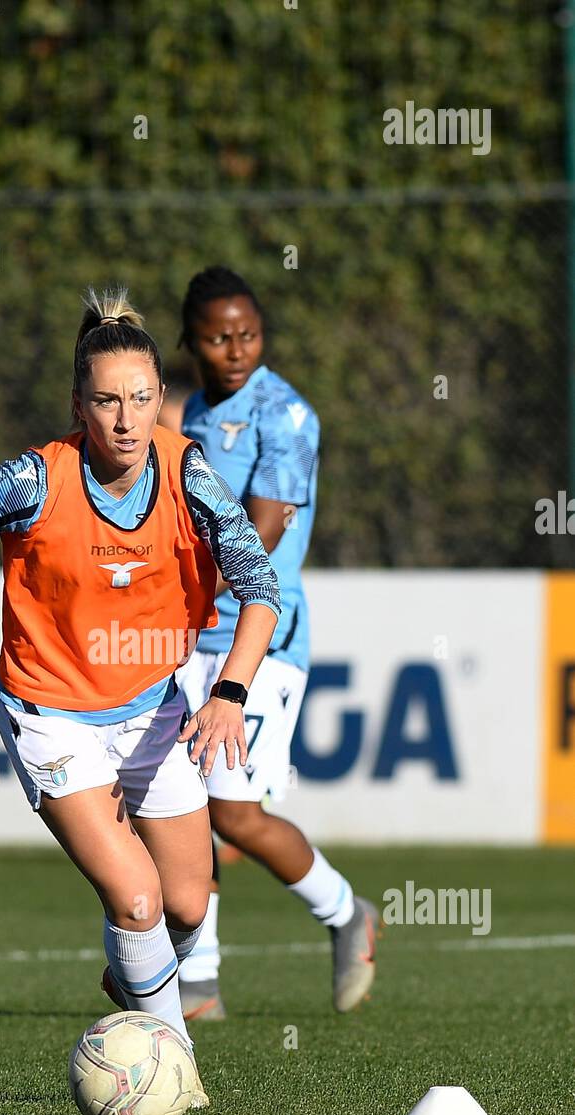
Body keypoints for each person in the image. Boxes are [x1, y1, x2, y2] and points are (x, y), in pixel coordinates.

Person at [0, 286, 281, 1097]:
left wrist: (230, 694)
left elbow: (259, 586)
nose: (127, 419)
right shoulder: (32, 480)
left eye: (143, 399)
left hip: (152, 713)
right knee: (137, 899)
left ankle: (135, 983)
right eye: (107, 401)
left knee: (187, 904)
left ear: (160, 401)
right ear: (80, 405)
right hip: (51, 717)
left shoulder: (190, 473)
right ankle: (172, 1066)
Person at [172, 266, 379, 1021]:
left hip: (264, 635)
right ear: (191, 341)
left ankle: (344, 911)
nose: (236, 348)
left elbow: (258, 535)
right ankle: (199, 984)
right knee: (182, 810)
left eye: (248, 333)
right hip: (192, 633)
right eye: (219, 337)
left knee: (233, 814)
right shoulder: (190, 408)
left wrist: (168, 582)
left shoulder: (285, 414)